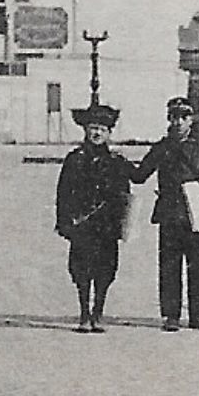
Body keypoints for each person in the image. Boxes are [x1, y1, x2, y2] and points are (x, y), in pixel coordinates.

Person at [130, 96, 199, 332]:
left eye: (183, 117)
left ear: (191, 120)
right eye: (174, 117)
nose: (178, 122)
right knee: (169, 266)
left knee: (198, 266)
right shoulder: (161, 148)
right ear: (168, 119)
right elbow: (140, 175)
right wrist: (119, 162)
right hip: (169, 214)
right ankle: (171, 315)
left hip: (196, 215)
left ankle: (197, 314)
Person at [54, 103, 133, 333]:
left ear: (109, 133)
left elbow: (127, 193)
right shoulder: (75, 159)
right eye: (92, 128)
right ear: (85, 131)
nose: (97, 133)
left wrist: (123, 225)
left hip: (107, 227)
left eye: (102, 129)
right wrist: (64, 222)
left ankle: (98, 312)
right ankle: (84, 314)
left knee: (106, 269)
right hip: (82, 225)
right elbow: (63, 193)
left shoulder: (116, 161)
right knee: (81, 270)